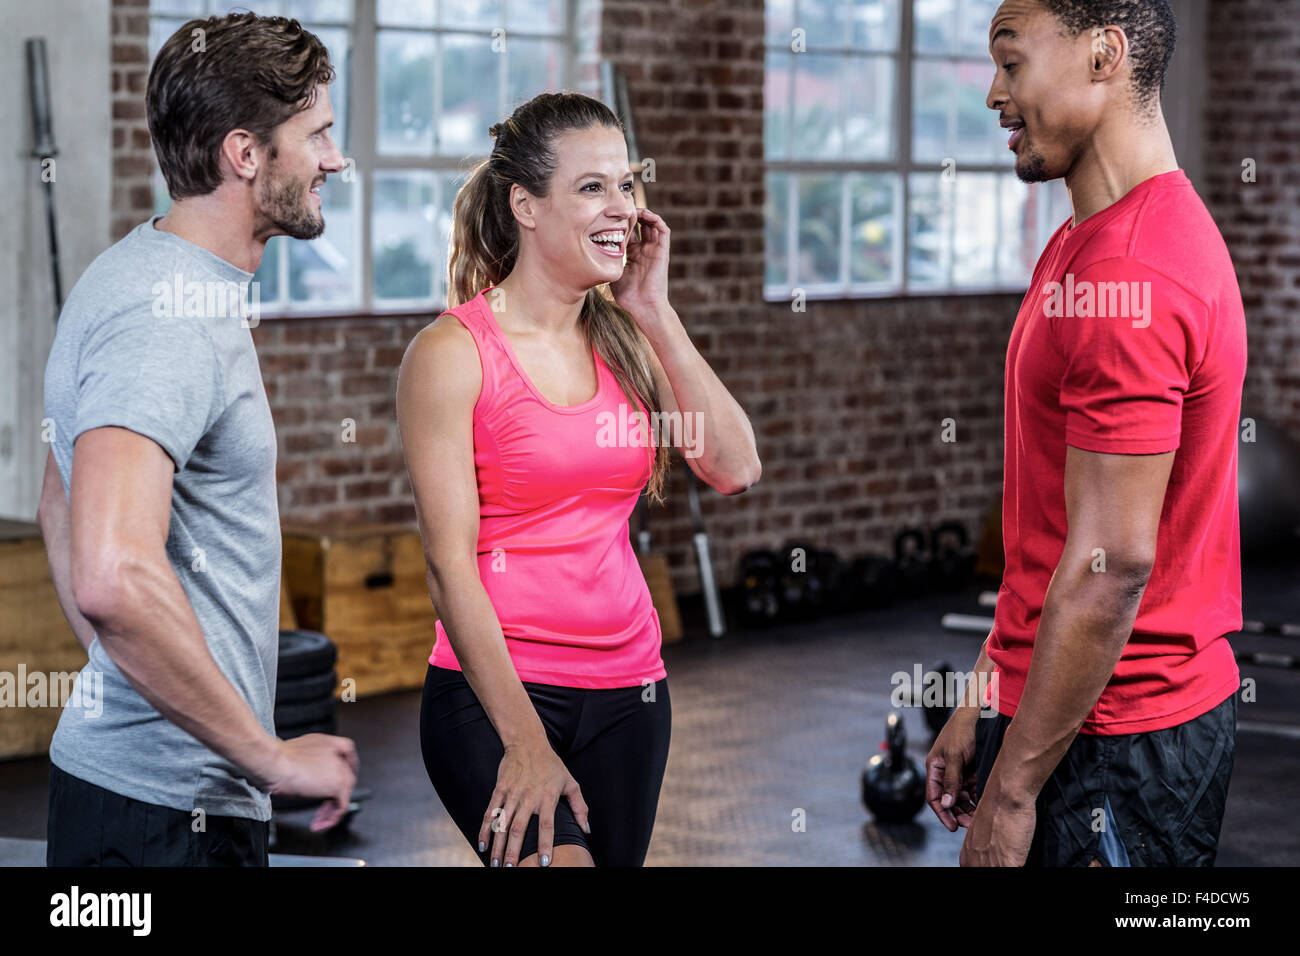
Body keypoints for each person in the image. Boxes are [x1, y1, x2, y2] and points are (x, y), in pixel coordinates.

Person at [397, 92, 761, 868]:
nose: (622, 206)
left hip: (631, 691)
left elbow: (733, 467)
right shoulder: (451, 354)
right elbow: (446, 561)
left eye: (627, 184)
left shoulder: (626, 337)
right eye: (593, 186)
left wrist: (654, 311)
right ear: (525, 205)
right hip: (494, 692)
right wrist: (523, 743)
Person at [926, 0, 1245, 866]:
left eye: (1012, 61)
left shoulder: (1130, 272)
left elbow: (1113, 569)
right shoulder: (1085, 242)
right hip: (1072, 710)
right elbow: (1050, 536)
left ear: (1105, 55)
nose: (995, 92)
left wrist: (1013, 790)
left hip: (1115, 740)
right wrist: (986, 689)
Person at [37, 12, 357, 867]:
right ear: (246, 154)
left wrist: (127, 676)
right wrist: (269, 756)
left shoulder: (144, 276)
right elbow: (110, 573)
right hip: (165, 821)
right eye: (318, 135)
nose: (335, 159)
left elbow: (59, 497)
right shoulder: (164, 316)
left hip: (145, 799)